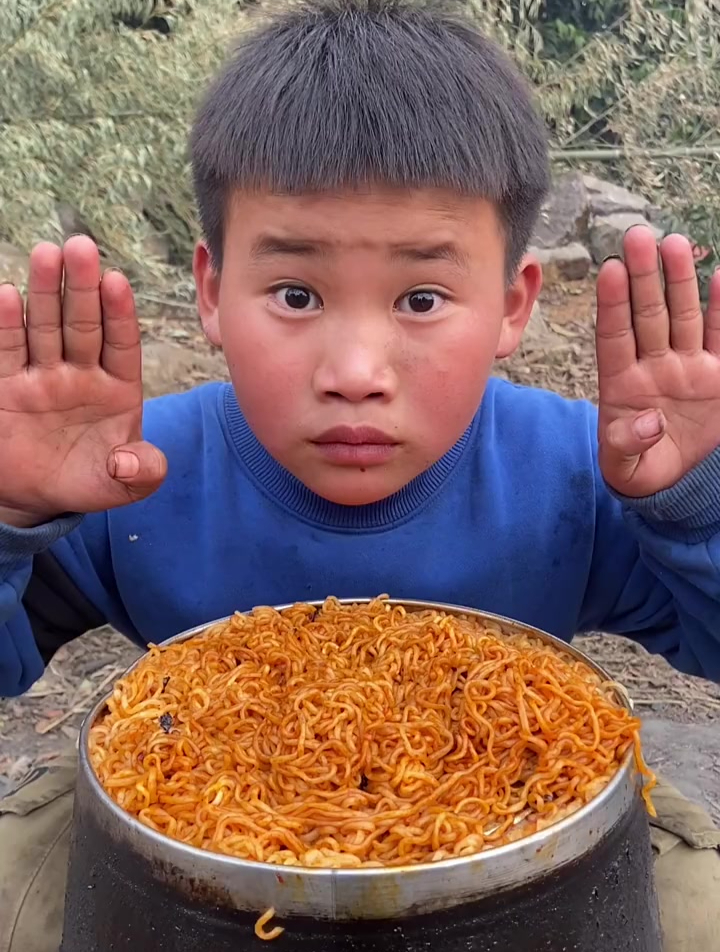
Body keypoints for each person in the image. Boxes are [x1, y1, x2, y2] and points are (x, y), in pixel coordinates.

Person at [0, 0, 719, 949]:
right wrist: (15, 514)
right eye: (295, 293)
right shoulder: (131, 478)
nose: (354, 373)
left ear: (511, 307)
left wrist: (689, 503)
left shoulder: (580, 475)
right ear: (213, 292)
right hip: (195, 863)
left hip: (515, 860)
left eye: (422, 297)